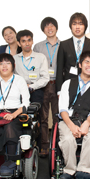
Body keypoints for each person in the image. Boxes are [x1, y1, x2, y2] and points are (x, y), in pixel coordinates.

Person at [58, 51, 90, 179]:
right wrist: (71, 126)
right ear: (80, 65)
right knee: (67, 139)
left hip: (87, 120)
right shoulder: (68, 83)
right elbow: (62, 109)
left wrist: (86, 124)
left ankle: (83, 170)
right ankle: (69, 170)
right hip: (68, 120)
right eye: (87, 62)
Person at [33, 17, 60, 158]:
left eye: (52, 26)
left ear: (56, 27)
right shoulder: (37, 46)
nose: (49, 28)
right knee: (42, 118)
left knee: (57, 117)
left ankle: (55, 145)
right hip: (43, 85)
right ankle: (44, 146)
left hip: (57, 85)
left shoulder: (63, 44)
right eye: (46, 26)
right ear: (43, 29)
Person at [56, 12, 90, 93]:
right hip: (68, 85)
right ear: (70, 26)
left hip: (88, 85)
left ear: (85, 26)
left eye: (80, 24)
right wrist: (59, 90)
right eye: (74, 24)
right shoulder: (63, 45)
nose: (77, 27)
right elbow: (59, 69)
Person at [14, 29, 49, 105]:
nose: (27, 43)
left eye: (29, 40)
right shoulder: (14, 59)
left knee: (36, 115)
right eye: (23, 41)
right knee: (21, 115)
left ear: (32, 41)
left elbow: (45, 78)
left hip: (36, 91)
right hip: (18, 93)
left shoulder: (41, 57)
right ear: (19, 43)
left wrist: (31, 86)